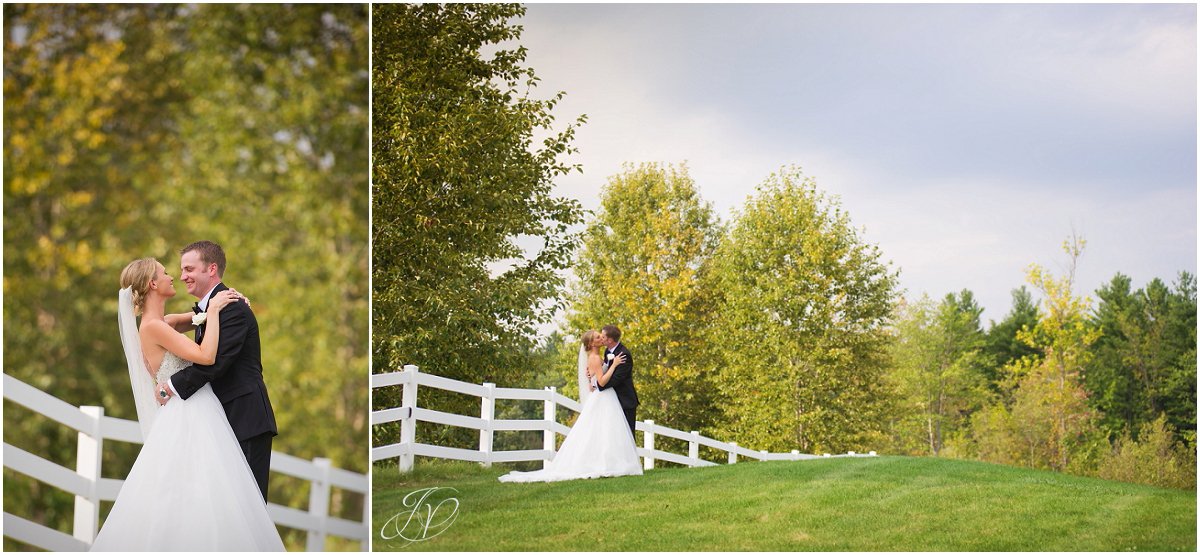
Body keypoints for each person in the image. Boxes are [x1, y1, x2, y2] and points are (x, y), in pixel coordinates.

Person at [91, 257, 283, 551]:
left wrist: (223, 302)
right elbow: (206, 357)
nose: (175, 277)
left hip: (201, 409)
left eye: (183, 270)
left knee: (211, 494)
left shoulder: (163, 323)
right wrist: (217, 310)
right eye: (166, 272)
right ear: (153, 284)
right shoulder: (154, 327)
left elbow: (196, 316)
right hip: (191, 413)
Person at [157, 240, 278, 500]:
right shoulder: (212, 309)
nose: (182, 276)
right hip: (222, 419)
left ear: (211, 269)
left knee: (249, 505)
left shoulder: (232, 309)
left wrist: (171, 387)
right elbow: (170, 324)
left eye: (189, 269)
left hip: (246, 419)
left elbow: (215, 363)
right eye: (181, 270)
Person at [498, 330, 643, 483]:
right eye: (598, 337)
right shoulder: (594, 358)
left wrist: (593, 378)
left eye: (602, 336)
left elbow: (594, 383)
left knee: (605, 431)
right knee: (601, 430)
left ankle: (611, 462)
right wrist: (613, 366)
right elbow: (601, 383)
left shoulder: (601, 355)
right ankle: (605, 464)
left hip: (606, 398)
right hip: (604, 397)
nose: (601, 338)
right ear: (592, 343)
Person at [597, 324, 639, 434]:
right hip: (612, 399)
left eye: (603, 337)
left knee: (627, 435)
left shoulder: (624, 355)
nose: (601, 338)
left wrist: (600, 384)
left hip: (625, 400)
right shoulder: (607, 351)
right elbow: (607, 368)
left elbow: (617, 378)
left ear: (610, 340)